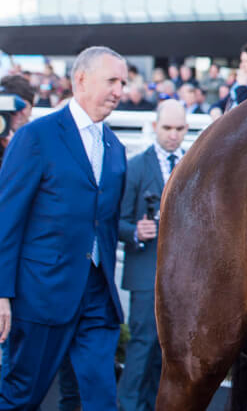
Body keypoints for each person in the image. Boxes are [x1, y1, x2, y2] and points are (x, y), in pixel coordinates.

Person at [0, 46, 129, 409]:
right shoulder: (36, 137)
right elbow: (7, 219)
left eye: (123, 82)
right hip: (40, 296)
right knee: (20, 397)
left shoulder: (115, 147)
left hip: (97, 298)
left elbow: (106, 224)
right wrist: (1, 294)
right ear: (81, 80)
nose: (119, 90)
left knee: (100, 398)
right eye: (112, 81)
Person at [117, 100, 188, 411]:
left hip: (183, 277)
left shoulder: (192, 162)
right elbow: (115, 221)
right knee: (142, 346)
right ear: (154, 127)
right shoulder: (136, 166)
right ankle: (129, 407)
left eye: (180, 128)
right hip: (146, 272)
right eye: (167, 128)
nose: (173, 135)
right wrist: (134, 230)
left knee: (171, 351)